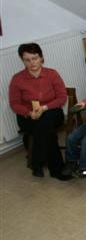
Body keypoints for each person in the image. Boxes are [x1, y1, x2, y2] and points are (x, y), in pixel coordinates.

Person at [8, 43, 69, 180]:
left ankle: (37, 161)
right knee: (47, 130)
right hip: (28, 116)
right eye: (27, 60)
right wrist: (30, 113)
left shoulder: (52, 74)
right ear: (23, 61)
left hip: (51, 111)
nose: (32, 62)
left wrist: (44, 108)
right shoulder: (17, 79)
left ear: (41, 57)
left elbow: (62, 98)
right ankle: (57, 170)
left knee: (45, 122)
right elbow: (14, 103)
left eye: (35, 58)